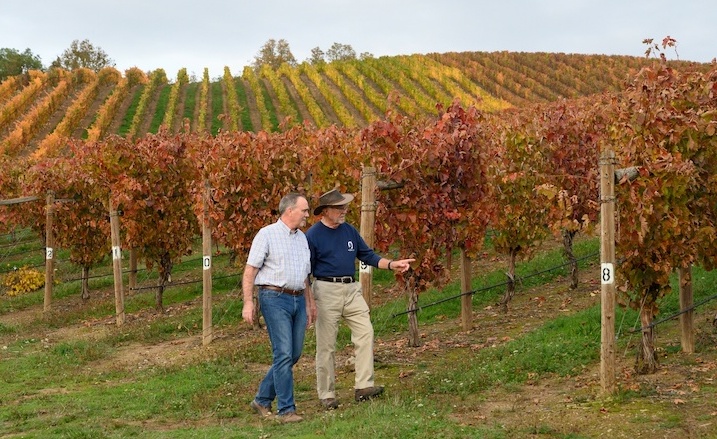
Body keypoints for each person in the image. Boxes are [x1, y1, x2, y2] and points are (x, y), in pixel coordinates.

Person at [306, 188, 415, 410]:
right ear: (325, 211)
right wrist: (309, 299)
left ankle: (364, 387)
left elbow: (368, 256)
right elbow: (305, 270)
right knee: (326, 345)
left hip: (351, 289)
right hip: (326, 289)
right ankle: (326, 394)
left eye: (345, 206)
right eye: (339, 207)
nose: (344, 210)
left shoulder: (349, 231)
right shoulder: (313, 235)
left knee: (366, 332)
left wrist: (393, 264)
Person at [242, 193, 316, 423]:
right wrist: (248, 302)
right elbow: (250, 271)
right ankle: (287, 410)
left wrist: (309, 303)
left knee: (293, 354)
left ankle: (262, 399)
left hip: (297, 298)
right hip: (274, 298)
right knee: (283, 352)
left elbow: (305, 276)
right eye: (304, 210)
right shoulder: (267, 235)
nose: (306, 215)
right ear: (289, 210)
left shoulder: (302, 239)